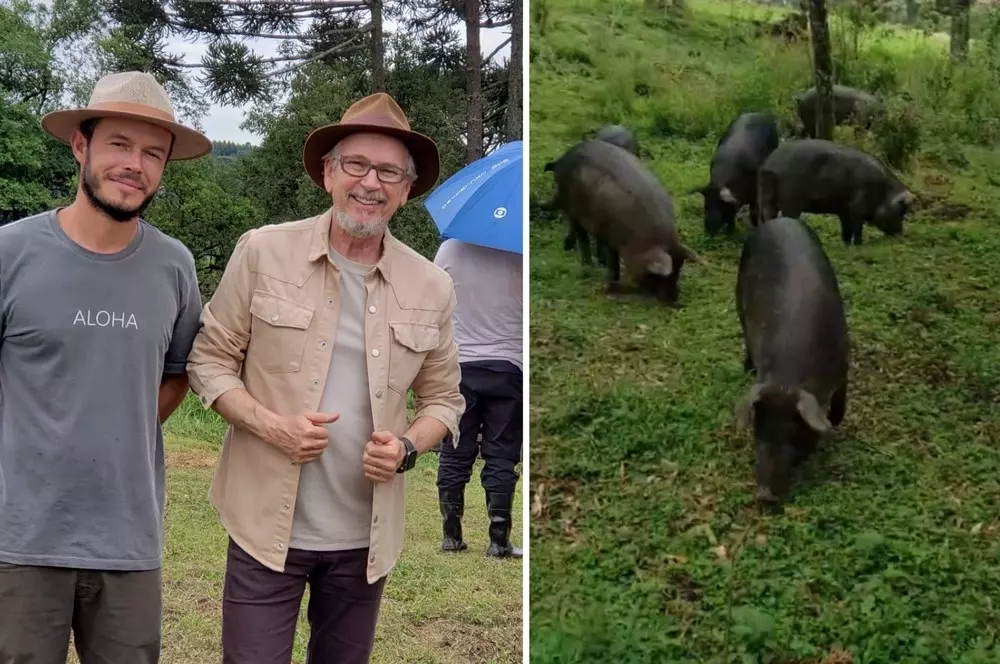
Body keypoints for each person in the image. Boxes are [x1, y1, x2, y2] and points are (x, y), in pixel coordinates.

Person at [185, 91, 465, 663]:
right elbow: (207, 362)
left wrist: (408, 447)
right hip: (265, 528)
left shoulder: (431, 285)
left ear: (406, 190)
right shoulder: (262, 252)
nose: (371, 182)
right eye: (356, 165)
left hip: (364, 540)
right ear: (328, 173)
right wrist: (271, 426)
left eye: (390, 171)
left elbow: (444, 398)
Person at [0, 71, 210, 663]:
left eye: (152, 153)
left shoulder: (174, 266)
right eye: (119, 144)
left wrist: (117, 427)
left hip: (128, 539)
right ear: (81, 146)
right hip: (20, 538)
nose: (135, 165)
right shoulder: (11, 253)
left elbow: (177, 373)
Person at [432, 239, 523, 559]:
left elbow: (431, 302)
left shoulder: (450, 250)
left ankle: (450, 536)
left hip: (459, 367)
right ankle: (499, 541)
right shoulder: (520, 252)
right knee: (502, 454)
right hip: (508, 367)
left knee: (455, 450)